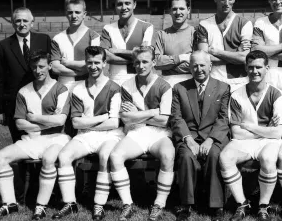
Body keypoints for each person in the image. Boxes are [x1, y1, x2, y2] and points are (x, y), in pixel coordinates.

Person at [0, 50, 71, 218]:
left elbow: (60, 121)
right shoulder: (23, 91)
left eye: (42, 66)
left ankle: (40, 206)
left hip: (57, 138)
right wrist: (45, 123)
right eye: (34, 67)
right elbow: (20, 123)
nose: (38, 71)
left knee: (49, 159)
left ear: (50, 66)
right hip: (31, 139)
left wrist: (34, 119)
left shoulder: (61, 89)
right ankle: (10, 203)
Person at [52, 46, 123, 220]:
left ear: (105, 63)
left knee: (106, 156)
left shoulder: (115, 87)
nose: (93, 67)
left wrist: (89, 122)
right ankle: (70, 203)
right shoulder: (77, 88)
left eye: (97, 62)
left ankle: (99, 204)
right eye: (89, 63)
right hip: (85, 135)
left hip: (110, 135)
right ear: (85, 63)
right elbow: (75, 122)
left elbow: (114, 122)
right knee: (64, 156)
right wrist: (102, 118)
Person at [109, 46, 175, 221]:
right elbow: (125, 119)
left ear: (153, 62)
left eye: (145, 61)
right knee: (115, 156)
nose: (141, 65)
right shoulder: (127, 85)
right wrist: (153, 111)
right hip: (137, 132)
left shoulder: (164, 86)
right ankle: (127, 204)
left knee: (168, 155)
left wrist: (137, 113)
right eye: (137, 62)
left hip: (159, 133)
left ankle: (159, 204)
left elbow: (164, 121)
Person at [219, 50, 282, 221]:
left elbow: (278, 132)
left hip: (268, 141)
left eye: (259, 67)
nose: (254, 71)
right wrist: (264, 130)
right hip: (246, 140)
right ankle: (242, 204)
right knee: (225, 157)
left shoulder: (276, 94)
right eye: (251, 67)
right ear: (246, 68)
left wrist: (249, 126)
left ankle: (263, 206)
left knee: (269, 159)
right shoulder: (237, 95)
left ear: (267, 68)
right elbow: (236, 133)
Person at [170, 50, 230, 221]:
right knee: (186, 156)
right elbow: (177, 117)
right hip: (188, 135)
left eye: (202, 65)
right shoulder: (180, 88)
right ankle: (186, 205)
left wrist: (211, 140)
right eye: (194, 65)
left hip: (214, 136)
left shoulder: (223, 87)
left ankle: (217, 206)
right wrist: (188, 139)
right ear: (189, 67)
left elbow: (223, 118)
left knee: (214, 155)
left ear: (210, 66)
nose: (199, 69)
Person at [0, 7, 51, 142]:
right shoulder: (3, 46)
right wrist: (1, 109)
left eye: (25, 20)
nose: (22, 24)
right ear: (13, 23)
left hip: (42, 101)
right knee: (20, 144)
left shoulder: (44, 40)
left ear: (32, 22)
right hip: (15, 105)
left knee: (45, 143)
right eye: (18, 21)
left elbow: (51, 71)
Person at [196, 0, 253, 92]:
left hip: (240, 81)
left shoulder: (245, 23)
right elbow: (203, 58)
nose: (227, 3)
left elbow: (244, 58)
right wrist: (235, 55)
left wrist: (216, 52)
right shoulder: (204, 25)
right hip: (213, 80)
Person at [100, 0, 154, 85]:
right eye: (120, 4)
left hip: (140, 80)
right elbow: (106, 57)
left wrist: (117, 51)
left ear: (134, 5)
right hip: (115, 80)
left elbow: (145, 54)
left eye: (127, 3)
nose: (124, 7)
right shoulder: (107, 29)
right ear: (115, 6)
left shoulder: (147, 27)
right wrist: (136, 58)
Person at [51, 0, 100, 92]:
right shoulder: (57, 38)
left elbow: (94, 63)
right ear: (66, 14)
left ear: (84, 14)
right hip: (64, 86)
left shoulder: (94, 36)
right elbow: (55, 68)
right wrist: (79, 72)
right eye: (70, 12)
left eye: (77, 12)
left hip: (87, 86)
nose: (74, 16)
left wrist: (67, 63)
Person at [154, 0, 194, 87]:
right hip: (168, 83)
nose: (178, 12)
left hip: (191, 82)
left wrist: (168, 63)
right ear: (169, 11)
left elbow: (196, 63)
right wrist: (181, 58)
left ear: (188, 10)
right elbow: (157, 63)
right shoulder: (161, 34)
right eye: (174, 9)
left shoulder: (195, 33)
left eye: (181, 8)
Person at [252, 0, 282, 89]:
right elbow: (257, 51)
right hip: (270, 75)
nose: (277, 2)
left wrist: (268, 52)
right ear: (269, 0)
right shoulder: (260, 23)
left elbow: (262, 52)